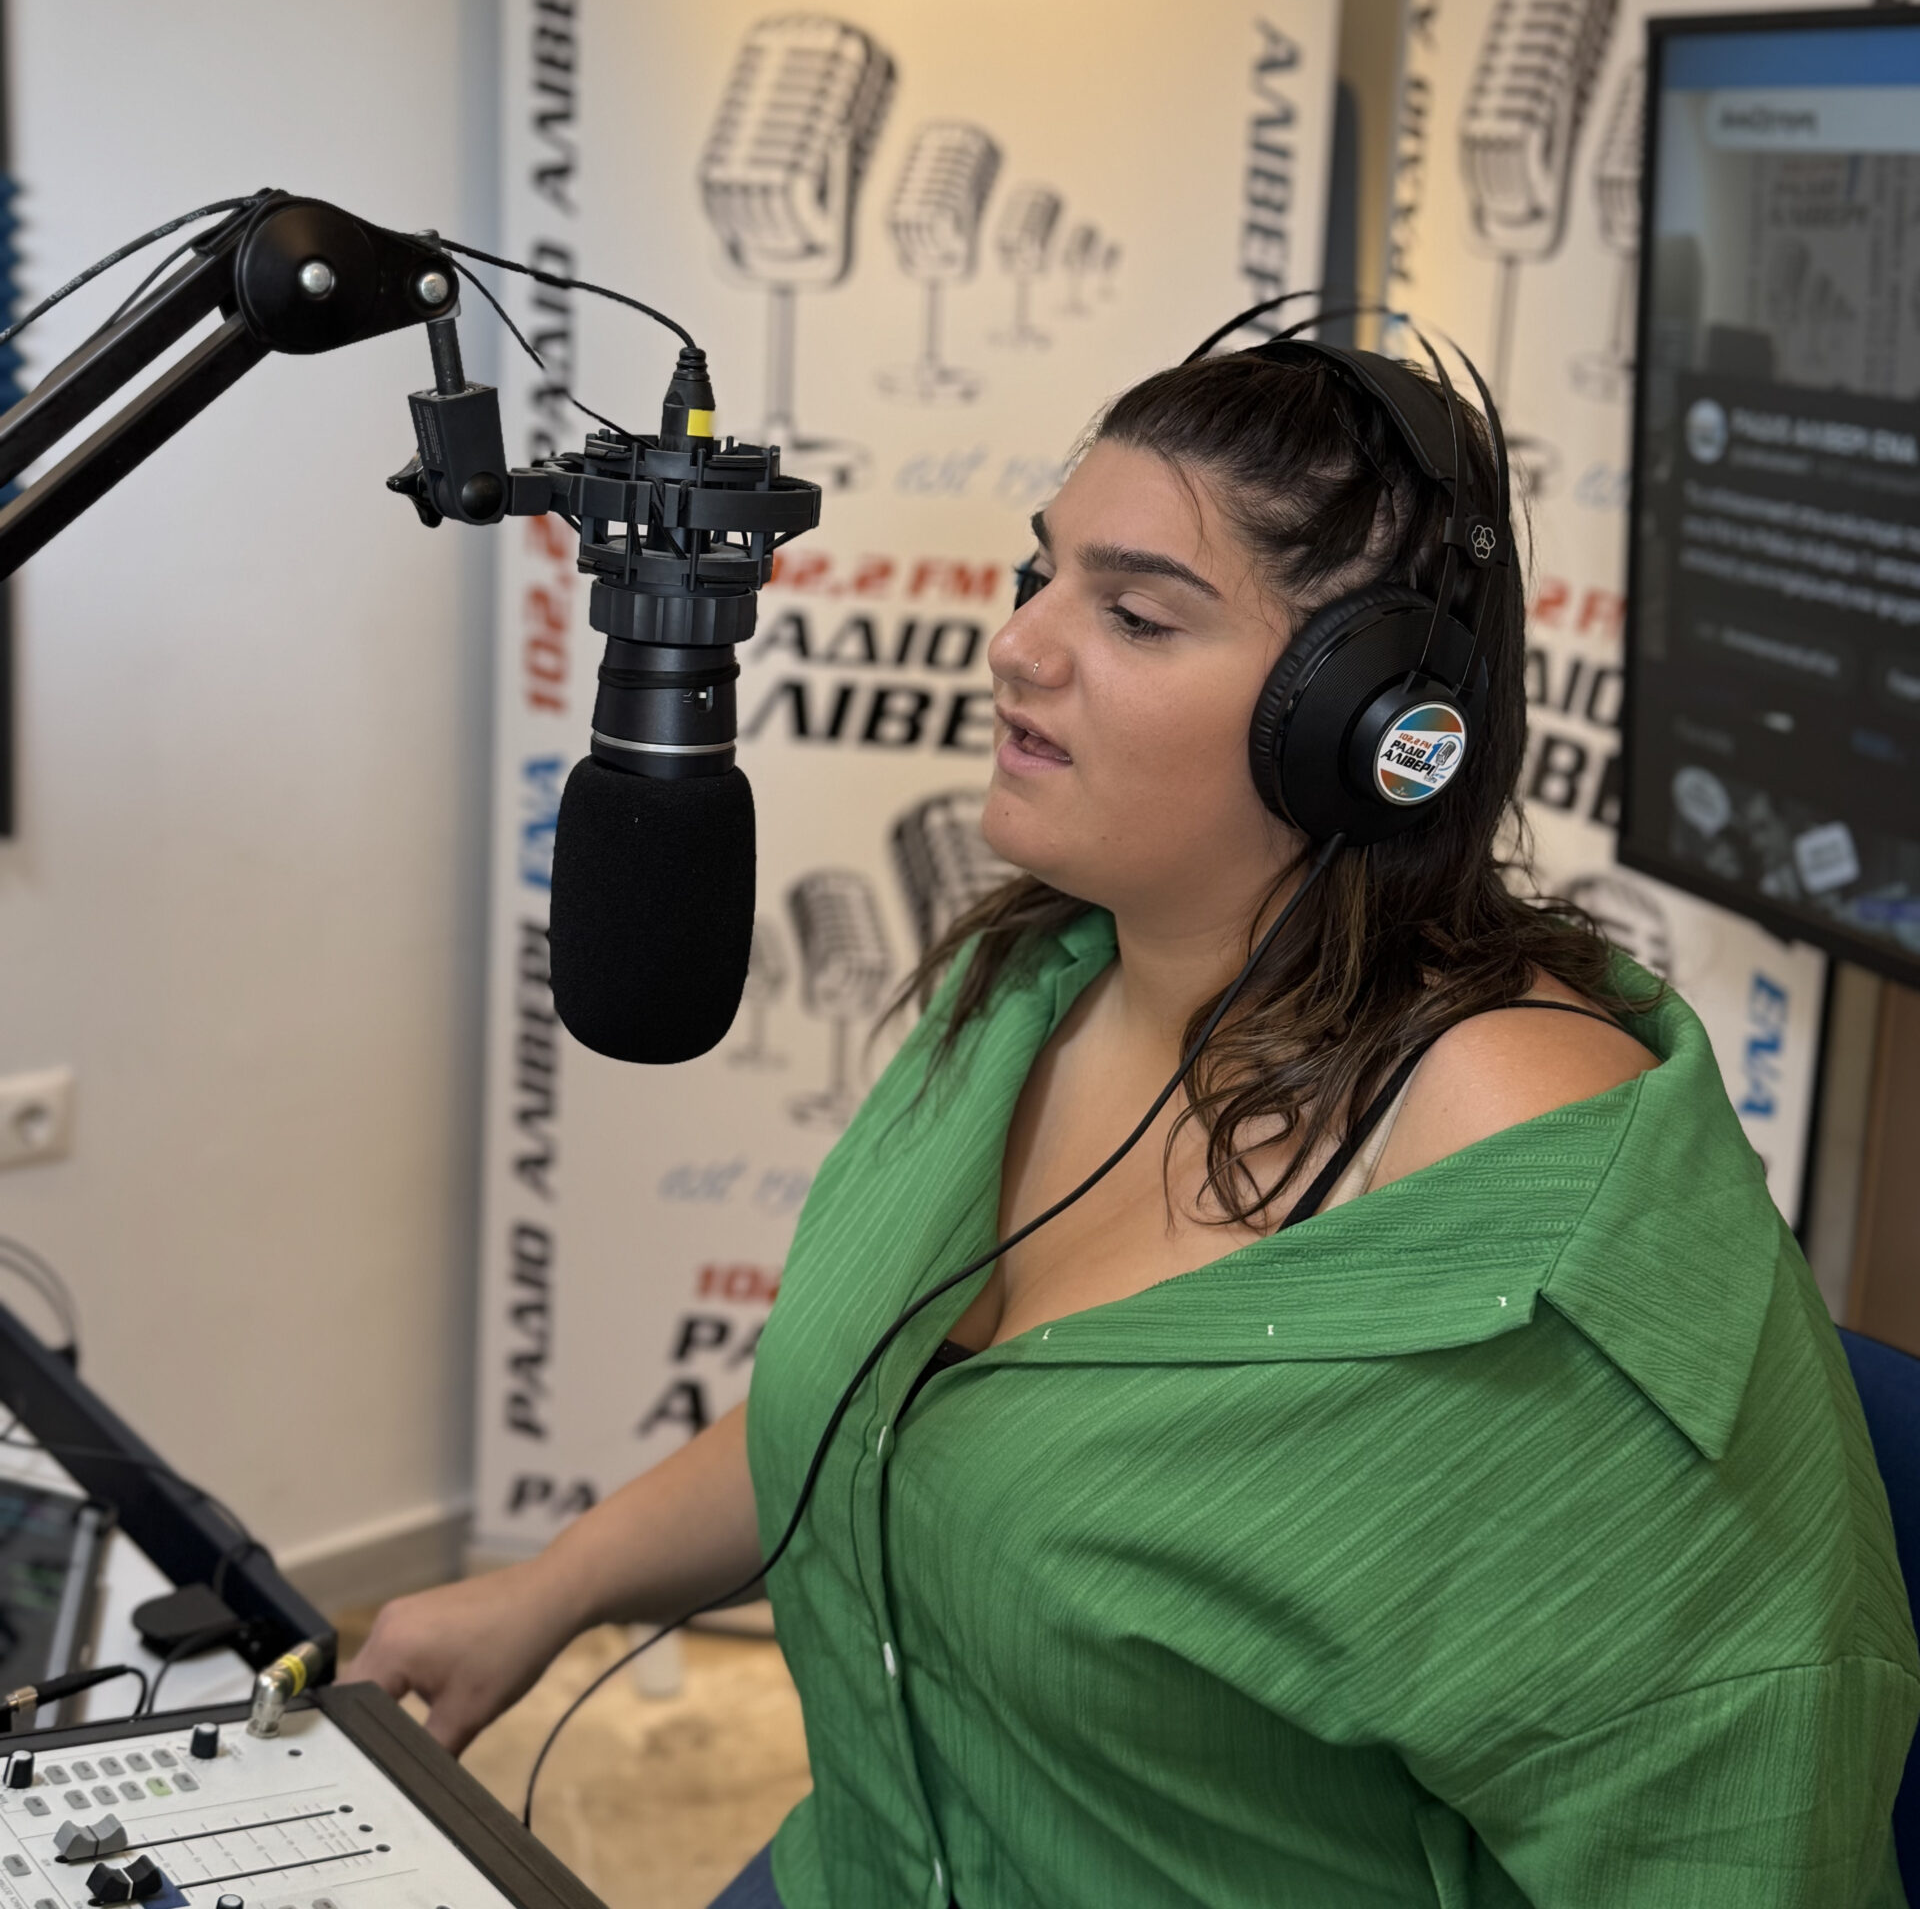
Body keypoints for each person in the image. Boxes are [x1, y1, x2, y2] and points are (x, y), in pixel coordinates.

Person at [347, 343, 1919, 1907]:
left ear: (1367, 721)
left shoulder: (1536, 1210)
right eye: (1041, 575)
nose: (1016, 647)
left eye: (1136, 615)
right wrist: (552, 1589)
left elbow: (1734, 1841)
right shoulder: (1038, 980)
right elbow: (868, 1409)